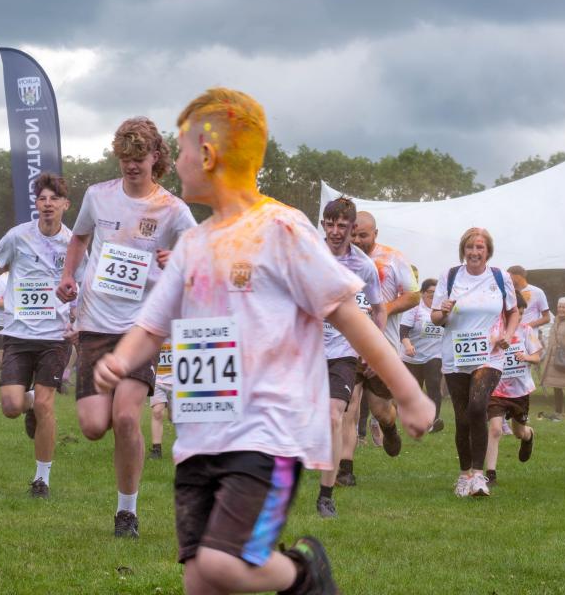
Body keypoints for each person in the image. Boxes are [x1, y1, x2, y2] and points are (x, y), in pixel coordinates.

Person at [94, 88, 435, 594]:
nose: (175, 163)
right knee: (198, 577)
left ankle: (304, 574)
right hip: (200, 436)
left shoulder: (281, 228)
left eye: (181, 150)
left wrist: (408, 394)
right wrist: (120, 361)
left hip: (267, 433)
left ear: (208, 155)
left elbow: (347, 313)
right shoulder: (192, 244)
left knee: (225, 562)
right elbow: (152, 325)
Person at [57, 116, 196, 538]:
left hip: (142, 327)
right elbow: (79, 238)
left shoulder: (172, 208)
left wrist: (179, 260)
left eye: (139, 157)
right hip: (95, 322)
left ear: (156, 157)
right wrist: (68, 275)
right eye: (125, 158)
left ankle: (127, 512)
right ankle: (125, 497)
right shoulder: (98, 196)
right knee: (93, 426)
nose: (132, 165)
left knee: (126, 417)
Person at [0, 173, 79, 498]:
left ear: (65, 204)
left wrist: (79, 317)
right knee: (10, 406)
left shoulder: (74, 243)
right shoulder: (18, 237)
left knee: (46, 404)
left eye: (54, 199)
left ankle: (41, 480)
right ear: (36, 204)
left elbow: (85, 282)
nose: (47, 204)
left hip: (55, 336)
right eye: (42, 199)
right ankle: (28, 402)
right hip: (18, 334)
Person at [431, 227, 519, 497]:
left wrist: (507, 335)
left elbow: (513, 312)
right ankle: (464, 474)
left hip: (489, 354)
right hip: (456, 354)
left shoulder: (500, 277)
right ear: (463, 250)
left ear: (488, 251)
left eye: (480, 247)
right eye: (470, 247)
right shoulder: (450, 276)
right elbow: (435, 318)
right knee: (462, 417)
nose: (474, 252)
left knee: (478, 406)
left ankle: (479, 477)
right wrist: (442, 311)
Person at [316, 196, 385, 518]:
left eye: (342, 225)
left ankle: (325, 496)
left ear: (351, 228)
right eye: (330, 224)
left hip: (343, 351)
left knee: (335, 415)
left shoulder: (363, 266)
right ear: (323, 225)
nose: (335, 231)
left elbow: (379, 309)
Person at [340, 210, 417, 485]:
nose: (357, 240)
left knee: (380, 408)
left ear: (375, 233)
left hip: (383, 345)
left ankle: (389, 426)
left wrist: (384, 308)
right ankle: (345, 469)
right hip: (347, 345)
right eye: (353, 235)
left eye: (363, 235)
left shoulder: (393, 258)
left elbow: (414, 295)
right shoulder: (339, 258)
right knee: (349, 405)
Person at [483, 290, 539, 485]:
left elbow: (537, 357)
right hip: (496, 390)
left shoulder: (526, 331)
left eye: (522, 313)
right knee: (495, 429)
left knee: (518, 432)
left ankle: (528, 436)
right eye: (516, 312)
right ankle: (490, 474)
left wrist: (527, 357)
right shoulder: (492, 329)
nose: (519, 317)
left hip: (519, 392)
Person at [400, 279, 445, 432]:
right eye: (430, 292)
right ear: (422, 293)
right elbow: (403, 331)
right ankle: (415, 420)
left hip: (435, 355)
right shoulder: (414, 309)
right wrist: (408, 345)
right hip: (412, 357)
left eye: (436, 293)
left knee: (434, 384)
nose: (433, 295)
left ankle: (433, 421)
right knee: (414, 391)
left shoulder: (443, 310)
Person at [148, 340, 173, 460]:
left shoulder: (179, 332)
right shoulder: (155, 333)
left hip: (177, 381)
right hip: (157, 380)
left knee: (174, 417)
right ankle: (156, 449)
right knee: (157, 412)